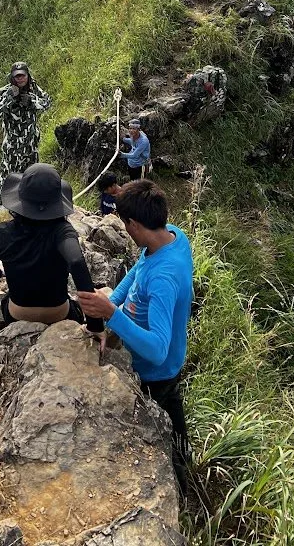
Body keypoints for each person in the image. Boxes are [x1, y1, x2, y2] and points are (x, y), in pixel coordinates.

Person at [76, 180, 193, 490]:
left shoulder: (164, 278)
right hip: (164, 364)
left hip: (155, 373)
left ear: (134, 225)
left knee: (165, 433)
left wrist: (112, 315)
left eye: (124, 222)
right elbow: (139, 269)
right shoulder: (171, 237)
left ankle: (183, 486)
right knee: (175, 420)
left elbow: (157, 349)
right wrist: (112, 302)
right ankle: (185, 459)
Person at [0, 163, 105, 338]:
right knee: (73, 305)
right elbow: (76, 261)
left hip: (17, 314)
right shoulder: (63, 231)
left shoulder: (1, 232)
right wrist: (95, 325)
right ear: (57, 202)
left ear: (20, 199)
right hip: (58, 313)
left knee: (6, 300)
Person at [0, 61, 51, 204]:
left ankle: (28, 202)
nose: (20, 79)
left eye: (23, 75)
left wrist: (32, 101)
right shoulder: (4, 91)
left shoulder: (34, 88)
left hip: (31, 143)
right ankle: (1, 202)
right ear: (12, 77)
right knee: (8, 174)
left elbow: (47, 103)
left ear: (27, 75)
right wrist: (8, 99)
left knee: (31, 174)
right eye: (17, 76)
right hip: (12, 145)